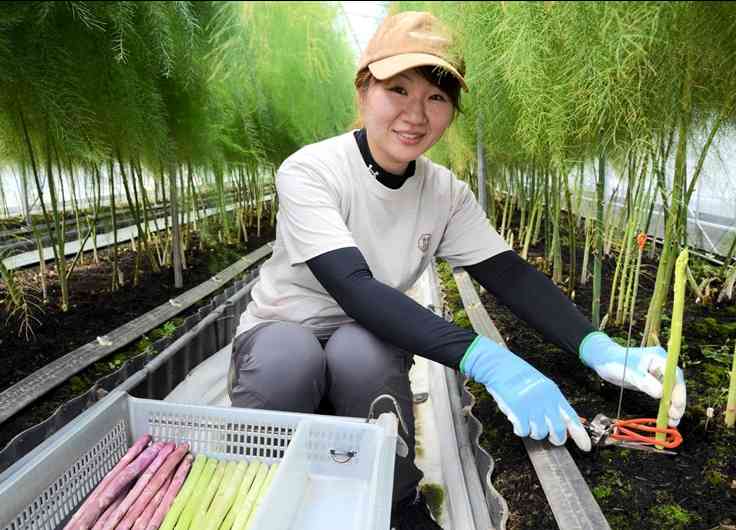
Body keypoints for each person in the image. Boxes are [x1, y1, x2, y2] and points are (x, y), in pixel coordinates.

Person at [228, 11, 687, 529]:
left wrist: (597, 348)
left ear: (452, 110)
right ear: (363, 91)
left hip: (367, 331)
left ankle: (397, 501)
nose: (415, 114)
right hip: (285, 326)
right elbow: (354, 287)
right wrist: (490, 361)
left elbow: (510, 275)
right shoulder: (313, 170)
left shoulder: (444, 191)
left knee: (365, 355)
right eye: (398, 90)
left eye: (437, 98)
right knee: (287, 361)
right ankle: (262, 488)